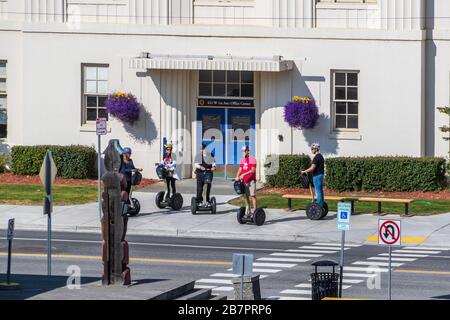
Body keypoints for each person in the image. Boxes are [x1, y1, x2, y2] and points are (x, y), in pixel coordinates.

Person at [235, 146, 257, 215]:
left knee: (252, 195)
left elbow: (253, 170)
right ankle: (249, 210)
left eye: (245, 151)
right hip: (244, 181)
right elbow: (240, 169)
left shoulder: (252, 159)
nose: (243, 152)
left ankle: (255, 211)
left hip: (251, 181)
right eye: (243, 151)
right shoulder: (242, 160)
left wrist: (244, 174)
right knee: (246, 196)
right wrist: (237, 176)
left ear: (248, 151)